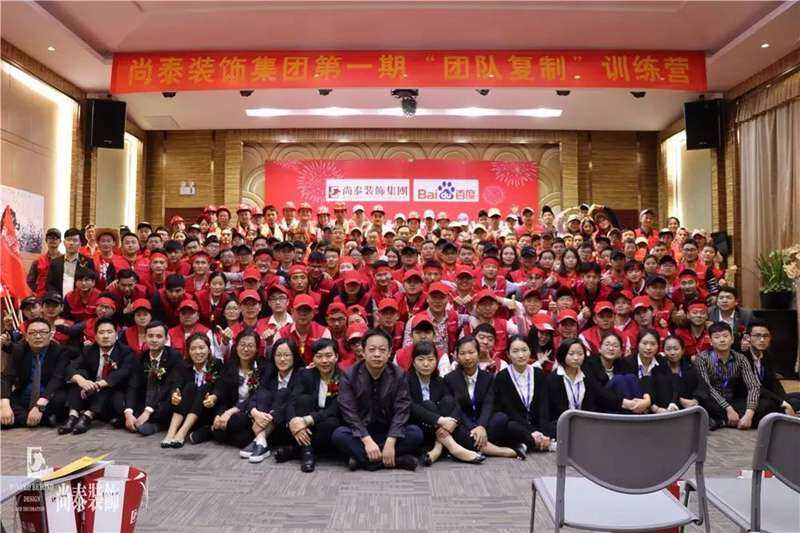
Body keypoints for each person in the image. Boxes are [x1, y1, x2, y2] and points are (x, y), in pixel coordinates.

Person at [332, 329, 423, 471]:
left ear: (389, 352)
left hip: (388, 431)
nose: (377, 354)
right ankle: (396, 460)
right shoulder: (350, 375)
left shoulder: (399, 375)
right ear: (363, 352)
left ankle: (365, 461)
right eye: (372, 349)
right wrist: (366, 440)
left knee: (415, 433)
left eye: (382, 350)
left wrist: (391, 440)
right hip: (361, 433)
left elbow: (402, 409)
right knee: (339, 435)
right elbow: (349, 412)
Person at [406, 341, 485, 465]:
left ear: (436, 361)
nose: (426, 364)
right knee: (428, 404)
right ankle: (453, 448)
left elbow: (456, 404)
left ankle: (438, 448)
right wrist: (440, 420)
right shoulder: (406, 380)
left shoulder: (439, 381)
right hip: (418, 425)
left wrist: (453, 421)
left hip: (440, 429)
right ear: (414, 362)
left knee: (448, 401)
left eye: (430, 359)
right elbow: (411, 406)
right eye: (421, 359)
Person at [443, 336, 522, 459]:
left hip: (483, 424)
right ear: (456, 356)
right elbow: (457, 409)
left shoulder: (488, 377)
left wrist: (481, 426)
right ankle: (498, 451)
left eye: (471, 352)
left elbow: (488, 404)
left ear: (479, 353)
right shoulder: (450, 379)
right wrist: (473, 427)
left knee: (501, 418)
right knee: (455, 427)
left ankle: (476, 446)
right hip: (464, 424)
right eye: (462, 353)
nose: (467, 357)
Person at [59, 318, 133, 434]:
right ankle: (72, 416)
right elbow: (70, 367)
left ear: (116, 335)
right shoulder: (89, 350)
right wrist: (81, 380)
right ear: (96, 336)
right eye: (101, 332)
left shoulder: (126, 351)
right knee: (79, 375)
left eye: (109, 332)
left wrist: (97, 385)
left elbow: (123, 373)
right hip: (89, 391)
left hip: (112, 392)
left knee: (107, 385)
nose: (105, 336)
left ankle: (87, 416)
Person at [695, 322, 771, 431]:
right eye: (717, 337)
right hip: (713, 401)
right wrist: (728, 409)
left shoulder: (740, 358)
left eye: (725, 336)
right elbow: (707, 387)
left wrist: (749, 414)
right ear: (711, 341)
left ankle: (722, 422)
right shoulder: (702, 358)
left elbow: (753, 386)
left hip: (732, 399)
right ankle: (730, 420)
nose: (722, 340)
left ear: (732, 339)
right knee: (703, 401)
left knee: (767, 404)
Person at [285, 338, 344, 472]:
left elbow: (335, 408)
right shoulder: (305, 374)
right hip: (306, 420)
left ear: (336, 357)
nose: (324, 361)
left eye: (328, 356)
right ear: (313, 358)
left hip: (326, 421)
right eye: (319, 356)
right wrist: (293, 421)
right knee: (304, 400)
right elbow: (292, 400)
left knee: (332, 423)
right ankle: (307, 453)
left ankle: (297, 450)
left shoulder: (343, 378)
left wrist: (308, 419)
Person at [0, 318, 71, 428]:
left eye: (43, 332)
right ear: (26, 337)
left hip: (48, 397)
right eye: (33, 333)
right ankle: (42, 420)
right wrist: (4, 405)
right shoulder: (19, 350)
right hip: (25, 395)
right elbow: (6, 377)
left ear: (51, 335)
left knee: (62, 399)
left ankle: (20, 419)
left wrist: (39, 407)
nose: (38, 336)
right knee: (5, 403)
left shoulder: (60, 351)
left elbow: (57, 378)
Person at [244, 338, 304, 463]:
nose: (282, 359)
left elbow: (292, 402)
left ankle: (260, 438)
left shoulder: (301, 374)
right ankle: (261, 441)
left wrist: (266, 420)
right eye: (278, 355)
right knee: (263, 394)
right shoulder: (270, 372)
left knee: (283, 393)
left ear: (294, 356)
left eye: (286, 355)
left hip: (287, 423)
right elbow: (256, 395)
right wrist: (255, 413)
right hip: (266, 422)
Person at [161, 333, 224, 447]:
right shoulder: (183, 365)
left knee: (204, 388)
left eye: (201, 348)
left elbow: (220, 387)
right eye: (193, 349)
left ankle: (182, 432)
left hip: (206, 411)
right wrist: (174, 394)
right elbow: (176, 383)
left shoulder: (217, 364)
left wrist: (213, 397)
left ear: (209, 349)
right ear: (188, 351)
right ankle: (171, 432)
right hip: (184, 410)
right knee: (190, 387)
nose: (198, 352)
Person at [492, 336, 551, 453]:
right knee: (510, 427)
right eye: (515, 351)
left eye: (524, 350)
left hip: (537, 424)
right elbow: (509, 410)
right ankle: (536, 442)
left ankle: (530, 443)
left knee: (557, 423)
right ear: (508, 354)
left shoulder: (538, 373)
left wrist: (543, 432)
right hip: (517, 424)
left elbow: (543, 406)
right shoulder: (502, 377)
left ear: (530, 351)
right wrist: (532, 431)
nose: (521, 355)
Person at [123, 321, 183, 436]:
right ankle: (137, 421)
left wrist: (148, 410)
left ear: (166, 339)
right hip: (146, 398)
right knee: (123, 404)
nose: (154, 340)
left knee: (171, 404)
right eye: (150, 336)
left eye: (159, 336)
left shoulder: (174, 357)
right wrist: (128, 412)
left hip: (164, 399)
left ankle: (157, 425)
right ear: (145, 338)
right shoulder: (140, 357)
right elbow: (133, 385)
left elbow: (168, 387)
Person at [582, 331, 651, 414]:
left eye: (615, 346)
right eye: (607, 345)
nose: (611, 348)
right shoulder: (589, 363)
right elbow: (597, 392)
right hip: (599, 407)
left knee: (631, 377)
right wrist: (626, 403)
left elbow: (637, 383)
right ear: (599, 348)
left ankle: (638, 411)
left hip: (622, 407)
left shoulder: (622, 364)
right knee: (618, 379)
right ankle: (637, 415)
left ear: (620, 351)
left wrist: (646, 401)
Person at [545, 339, 603, 438]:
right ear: (563, 355)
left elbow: (596, 399)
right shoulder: (553, 379)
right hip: (561, 426)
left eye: (580, 354)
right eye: (571, 354)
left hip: (586, 424)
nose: (576, 358)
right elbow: (552, 410)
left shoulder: (587, 376)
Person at [744, 319, 799, 415]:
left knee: (795, 399)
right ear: (748, 337)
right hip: (748, 397)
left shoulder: (766, 355)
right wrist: (782, 402)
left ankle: (784, 411)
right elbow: (755, 387)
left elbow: (773, 382)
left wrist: (785, 401)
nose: (762, 340)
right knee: (768, 405)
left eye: (765, 336)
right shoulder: (743, 357)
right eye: (757, 336)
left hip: (766, 394)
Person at [651, 335, 710, 414]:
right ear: (663, 351)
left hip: (688, 411)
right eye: (668, 349)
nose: (672, 353)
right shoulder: (657, 369)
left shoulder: (690, 368)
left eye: (676, 349)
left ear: (682, 350)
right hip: (665, 410)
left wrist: (695, 400)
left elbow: (702, 386)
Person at [45, 227, 95, 297]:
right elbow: (49, 284)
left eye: (75, 240)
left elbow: (92, 283)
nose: (71, 243)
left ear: (80, 243)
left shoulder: (87, 262)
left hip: (79, 300)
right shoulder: (55, 263)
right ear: (64, 242)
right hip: (59, 300)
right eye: (68, 240)